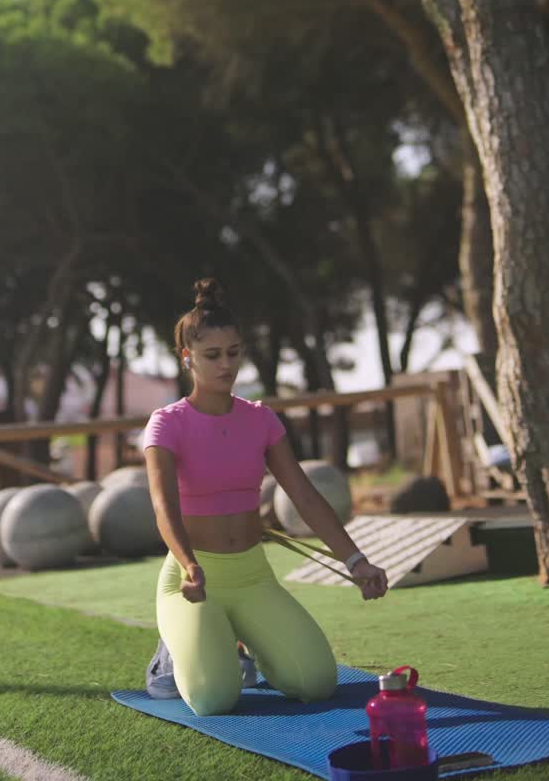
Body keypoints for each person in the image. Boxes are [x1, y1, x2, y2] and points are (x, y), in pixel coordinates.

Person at [142, 277, 389, 717]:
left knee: (316, 683)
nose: (226, 365)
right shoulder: (167, 423)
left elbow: (305, 496)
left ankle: (238, 642)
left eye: (233, 352)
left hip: (252, 575)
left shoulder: (260, 420)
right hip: (193, 579)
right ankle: (170, 656)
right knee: (215, 699)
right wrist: (189, 565)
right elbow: (164, 506)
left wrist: (356, 562)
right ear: (187, 358)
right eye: (212, 355)